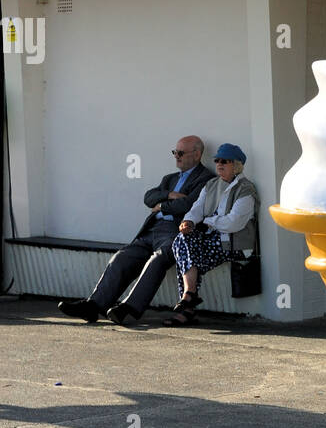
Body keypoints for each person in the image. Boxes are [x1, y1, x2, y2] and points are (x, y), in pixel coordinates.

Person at [58, 137, 213, 326]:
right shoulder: (170, 179)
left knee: (157, 260)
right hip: (151, 230)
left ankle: (127, 308)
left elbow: (188, 205)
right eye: (175, 152)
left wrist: (161, 206)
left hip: (176, 233)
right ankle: (93, 306)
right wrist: (168, 195)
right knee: (121, 258)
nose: (176, 157)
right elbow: (148, 197)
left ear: (197, 154)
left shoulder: (205, 178)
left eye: (181, 153)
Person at [164, 143, 259, 326]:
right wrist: (189, 221)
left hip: (233, 244)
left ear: (237, 165)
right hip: (212, 240)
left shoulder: (245, 189)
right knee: (183, 241)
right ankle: (189, 295)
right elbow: (197, 208)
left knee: (185, 253)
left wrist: (206, 221)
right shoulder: (211, 184)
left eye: (226, 161)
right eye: (217, 161)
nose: (219, 165)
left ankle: (187, 305)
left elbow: (233, 223)